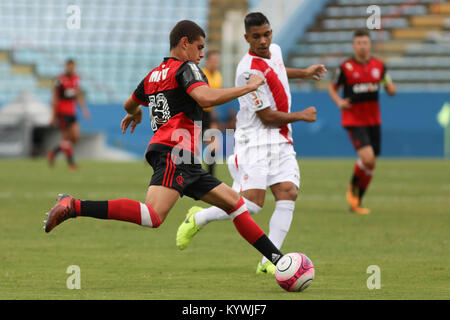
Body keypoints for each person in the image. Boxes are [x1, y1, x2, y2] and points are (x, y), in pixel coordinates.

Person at [44, 20, 286, 270]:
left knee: (235, 203)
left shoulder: (152, 75)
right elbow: (204, 97)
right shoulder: (187, 68)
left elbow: (129, 103)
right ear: (185, 43)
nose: (202, 54)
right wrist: (247, 88)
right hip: (175, 152)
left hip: (184, 157)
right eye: (199, 47)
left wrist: (136, 112)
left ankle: (278, 261)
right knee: (153, 216)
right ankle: (74, 206)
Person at [176, 12, 327, 275]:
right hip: (254, 140)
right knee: (253, 204)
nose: (263, 41)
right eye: (256, 37)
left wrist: (304, 72)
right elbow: (266, 116)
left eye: (266, 34)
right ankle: (198, 217)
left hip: (280, 138)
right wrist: (301, 116)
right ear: (246, 38)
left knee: (288, 192)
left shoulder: (275, 51)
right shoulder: (247, 71)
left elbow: (278, 71)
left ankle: (270, 260)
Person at [328, 29, 396, 214]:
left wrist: (390, 88)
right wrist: (339, 102)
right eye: (359, 43)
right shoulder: (345, 67)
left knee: (371, 163)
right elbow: (333, 89)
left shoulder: (379, 66)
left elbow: (388, 85)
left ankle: (356, 200)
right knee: (367, 158)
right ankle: (353, 191)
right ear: (353, 45)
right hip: (354, 119)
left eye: (365, 42)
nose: (362, 46)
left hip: (374, 120)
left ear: (370, 44)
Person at [47, 59, 90, 170]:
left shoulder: (76, 79)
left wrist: (84, 109)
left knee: (74, 137)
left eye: (73, 67)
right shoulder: (60, 80)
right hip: (62, 111)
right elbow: (55, 97)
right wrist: (53, 115)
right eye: (69, 66)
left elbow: (78, 94)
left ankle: (53, 152)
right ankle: (71, 164)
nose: (71, 68)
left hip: (72, 111)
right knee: (66, 138)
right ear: (66, 67)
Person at [201, 50, 222, 176]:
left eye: (217, 61)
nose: (215, 63)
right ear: (207, 61)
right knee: (191, 147)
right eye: (212, 61)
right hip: (197, 113)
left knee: (214, 144)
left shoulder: (218, 76)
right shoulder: (201, 74)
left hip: (208, 114)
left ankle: (211, 176)